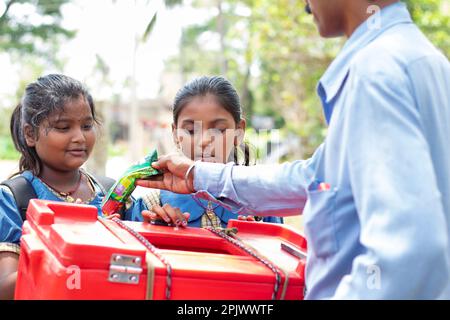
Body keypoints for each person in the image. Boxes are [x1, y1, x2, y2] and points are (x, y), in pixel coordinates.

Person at [136, 0, 450, 299]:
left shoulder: (376, 72)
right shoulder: (426, 60)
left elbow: (408, 250)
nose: (305, 5)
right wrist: (198, 175)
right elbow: (313, 178)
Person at [0, 74, 146, 299]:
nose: (80, 137)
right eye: (63, 127)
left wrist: (161, 220)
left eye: (87, 125)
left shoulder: (112, 194)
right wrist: (63, 240)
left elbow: (144, 266)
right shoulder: (14, 199)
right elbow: (5, 288)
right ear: (31, 134)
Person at [141, 76, 282, 227]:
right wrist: (155, 231)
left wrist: (257, 240)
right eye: (191, 130)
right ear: (175, 134)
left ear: (239, 131)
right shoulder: (153, 204)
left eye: (219, 129)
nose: (204, 141)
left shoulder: (262, 207)